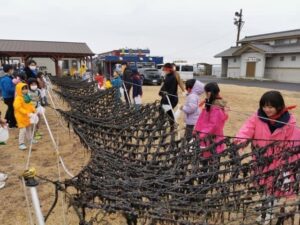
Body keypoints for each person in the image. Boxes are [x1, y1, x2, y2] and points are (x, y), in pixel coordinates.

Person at [236, 90, 300, 223]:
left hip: (279, 162)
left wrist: (288, 164)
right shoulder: (257, 117)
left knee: (273, 188)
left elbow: (294, 144)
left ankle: (268, 213)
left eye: (270, 107)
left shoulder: (289, 122)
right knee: (262, 185)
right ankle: (266, 204)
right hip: (260, 160)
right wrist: (239, 144)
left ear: (279, 106)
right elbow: (246, 130)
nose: (267, 110)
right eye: (264, 106)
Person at [194, 82, 228, 184]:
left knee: (213, 160)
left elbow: (213, 125)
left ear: (209, 93)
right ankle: (204, 177)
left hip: (211, 140)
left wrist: (201, 135)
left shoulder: (216, 108)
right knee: (204, 159)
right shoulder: (210, 103)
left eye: (206, 92)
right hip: (204, 138)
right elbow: (203, 120)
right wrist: (197, 131)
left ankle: (212, 179)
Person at [14, 82, 37, 150]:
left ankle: (30, 139)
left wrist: (34, 110)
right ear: (19, 90)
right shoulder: (18, 98)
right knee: (23, 130)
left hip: (27, 116)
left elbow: (30, 105)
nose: (25, 90)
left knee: (29, 128)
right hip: (21, 117)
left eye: (26, 88)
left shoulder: (27, 96)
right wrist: (26, 112)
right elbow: (18, 107)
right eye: (23, 89)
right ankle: (21, 143)